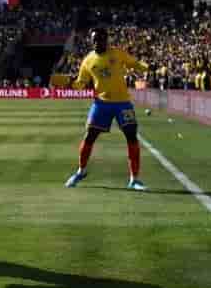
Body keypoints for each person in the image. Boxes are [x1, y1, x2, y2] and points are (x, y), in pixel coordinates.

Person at [64, 27, 149, 191]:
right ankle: (81, 171)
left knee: (131, 137)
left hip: (123, 103)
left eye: (100, 39)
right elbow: (81, 83)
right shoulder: (88, 60)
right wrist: (71, 84)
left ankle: (134, 179)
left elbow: (134, 63)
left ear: (106, 40)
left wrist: (146, 67)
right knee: (89, 136)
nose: (96, 42)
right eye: (94, 39)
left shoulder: (117, 53)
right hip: (101, 103)